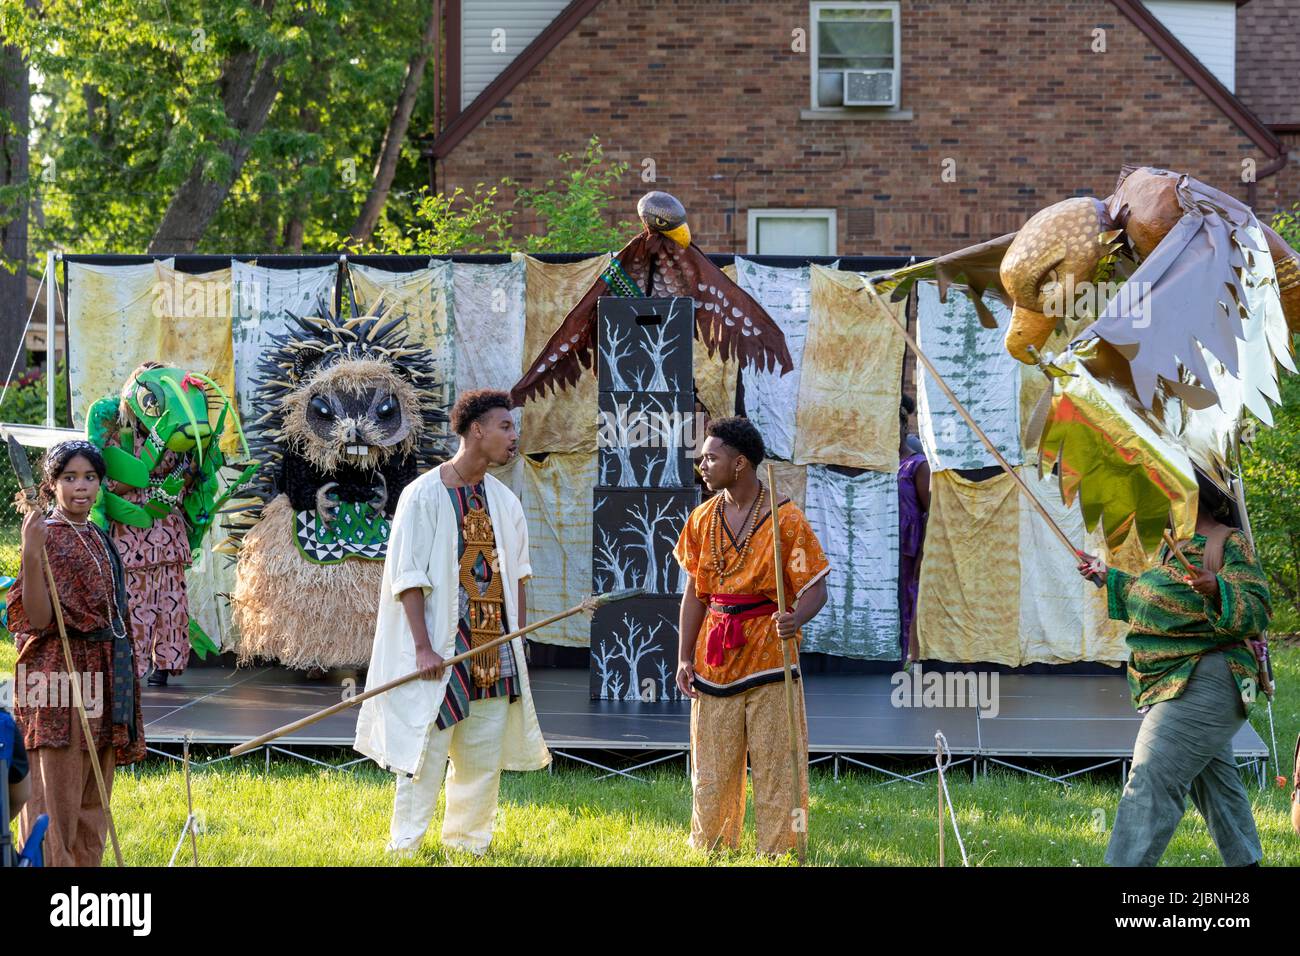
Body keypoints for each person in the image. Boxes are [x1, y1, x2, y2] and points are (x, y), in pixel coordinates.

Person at [354, 389, 550, 857]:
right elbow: (408, 577)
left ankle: (468, 844)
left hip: (493, 651)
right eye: (505, 426)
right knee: (424, 752)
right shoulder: (422, 496)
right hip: (443, 651)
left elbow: (517, 578)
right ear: (476, 430)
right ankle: (406, 844)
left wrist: (516, 639)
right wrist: (423, 647)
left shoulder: (505, 502)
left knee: (481, 756)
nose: (513, 436)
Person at [1077, 471, 1268, 866]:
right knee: (1218, 789)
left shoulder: (1227, 543)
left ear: (1188, 496)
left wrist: (1219, 587)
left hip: (1213, 676)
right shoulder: (1173, 548)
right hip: (1177, 681)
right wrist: (1105, 576)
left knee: (1150, 777)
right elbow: (1157, 601)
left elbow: (1257, 607)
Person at [674, 416, 830, 855]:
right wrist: (683, 657)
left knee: (778, 765)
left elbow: (816, 588)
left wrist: (795, 619)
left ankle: (781, 849)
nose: (702, 465)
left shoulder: (786, 519)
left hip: (769, 655)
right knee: (712, 765)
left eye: (711, 457)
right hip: (714, 657)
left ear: (739, 463)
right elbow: (695, 595)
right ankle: (712, 847)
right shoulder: (703, 518)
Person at [8, 440, 144, 866]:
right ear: (50, 485)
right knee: (56, 797)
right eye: (69, 478)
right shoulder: (46, 534)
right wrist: (31, 555)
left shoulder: (98, 536)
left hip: (101, 674)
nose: (80, 488)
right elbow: (37, 618)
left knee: (91, 800)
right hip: (57, 677)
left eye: (90, 478)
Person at [897, 395, 930, 663]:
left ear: (904, 427)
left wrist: (922, 553)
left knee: (909, 597)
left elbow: (928, 510)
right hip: (884, 545)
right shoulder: (879, 464)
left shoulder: (917, 464)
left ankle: (910, 655)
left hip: (909, 544)